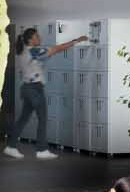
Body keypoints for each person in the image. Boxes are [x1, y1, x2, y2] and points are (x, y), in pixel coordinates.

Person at [5, 27, 83, 159]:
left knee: (23, 118)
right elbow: (56, 49)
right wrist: (76, 41)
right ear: (30, 40)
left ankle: (11, 146)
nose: (39, 38)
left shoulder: (22, 51)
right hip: (35, 89)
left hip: (26, 88)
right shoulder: (34, 51)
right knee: (43, 118)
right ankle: (41, 150)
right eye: (36, 36)